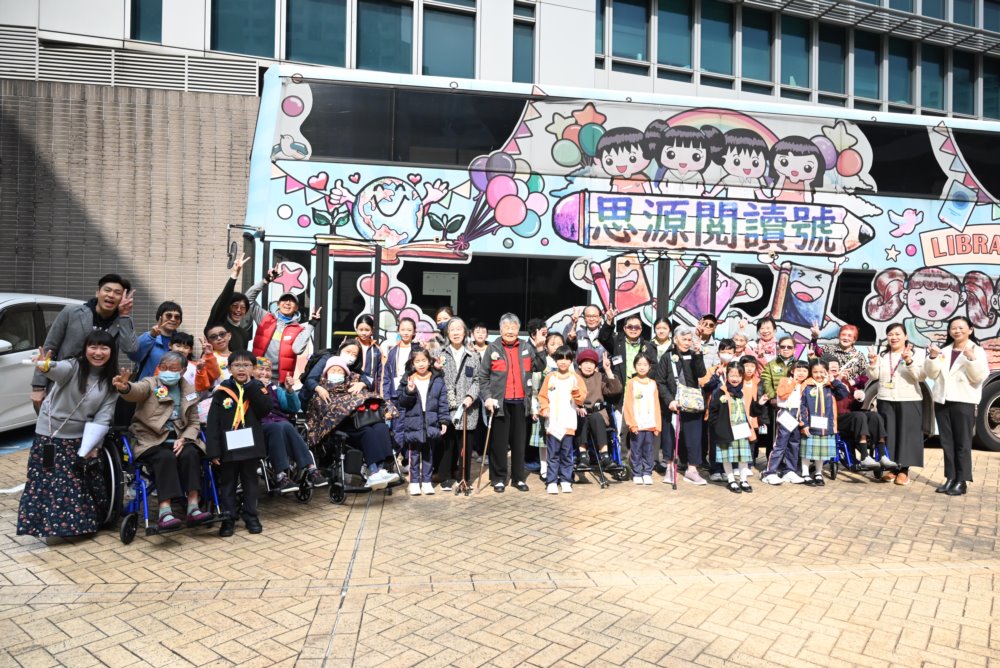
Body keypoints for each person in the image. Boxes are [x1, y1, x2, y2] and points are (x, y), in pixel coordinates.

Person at [17, 331, 120, 541]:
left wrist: (95, 445)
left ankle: (78, 526)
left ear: (112, 352)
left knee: (76, 482)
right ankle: (49, 527)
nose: (98, 352)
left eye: (104, 348)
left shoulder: (111, 382)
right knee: (49, 481)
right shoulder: (73, 367)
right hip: (50, 433)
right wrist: (46, 366)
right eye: (93, 347)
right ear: (85, 348)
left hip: (81, 437)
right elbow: (57, 369)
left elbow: (104, 417)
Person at [112, 351, 212, 530]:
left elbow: (194, 422)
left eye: (173, 369)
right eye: (164, 367)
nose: (167, 372)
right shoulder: (150, 383)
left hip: (180, 439)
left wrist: (184, 438)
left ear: (183, 371)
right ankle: (165, 512)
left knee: (191, 453)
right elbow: (136, 391)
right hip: (151, 439)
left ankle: (193, 507)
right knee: (165, 457)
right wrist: (125, 387)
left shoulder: (189, 389)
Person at [30, 273, 136, 412]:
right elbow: (49, 348)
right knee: (54, 422)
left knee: (95, 425)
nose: (111, 295)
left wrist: (124, 315)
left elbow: (130, 348)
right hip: (64, 381)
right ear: (97, 292)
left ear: (123, 298)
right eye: (107, 290)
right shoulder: (71, 312)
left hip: (98, 389)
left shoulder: (122, 322)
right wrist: (38, 387)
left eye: (117, 293)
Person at [304, 356, 399, 488]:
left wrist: (385, 409)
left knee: (381, 427)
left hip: (363, 419)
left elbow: (369, 397)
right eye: (333, 370)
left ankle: (382, 469)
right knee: (367, 432)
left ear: (345, 373)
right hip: (341, 425)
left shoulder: (355, 385)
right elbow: (321, 413)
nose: (336, 373)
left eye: (340, 371)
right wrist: (347, 410)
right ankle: (373, 472)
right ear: (326, 373)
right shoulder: (321, 391)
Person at [205, 351, 272, 537]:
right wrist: (213, 451)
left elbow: (264, 410)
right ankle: (228, 518)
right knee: (228, 483)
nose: (241, 369)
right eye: (237, 365)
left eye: (246, 365)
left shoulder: (257, 387)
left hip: (251, 444)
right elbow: (213, 423)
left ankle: (251, 516)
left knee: (251, 482)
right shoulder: (222, 391)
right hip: (228, 445)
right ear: (229, 368)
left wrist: (250, 386)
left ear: (253, 368)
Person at [925, 316, 989, 496]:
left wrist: (971, 359)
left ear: (970, 330)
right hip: (943, 401)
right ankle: (951, 477)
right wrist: (932, 357)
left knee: (962, 443)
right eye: (953, 328)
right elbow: (931, 374)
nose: (957, 331)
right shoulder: (944, 350)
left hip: (964, 401)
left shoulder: (977, 350)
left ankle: (962, 480)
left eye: (961, 327)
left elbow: (979, 377)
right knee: (947, 442)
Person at [477, 313, 541, 493]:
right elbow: (483, 377)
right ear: (500, 329)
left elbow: (539, 366)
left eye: (514, 328)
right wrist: (487, 397)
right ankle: (498, 478)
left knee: (519, 444)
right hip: (500, 403)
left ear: (518, 329)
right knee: (499, 443)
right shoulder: (493, 348)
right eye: (507, 328)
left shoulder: (526, 347)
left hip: (521, 402)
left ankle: (518, 478)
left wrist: (540, 348)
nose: (510, 331)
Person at [254, 357, 326, 492]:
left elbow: (293, 408)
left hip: (279, 424)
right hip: (260, 426)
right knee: (278, 426)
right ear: (252, 371)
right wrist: (258, 388)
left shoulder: (275, 388)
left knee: (286, 424)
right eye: (260, 369)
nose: (264, 373)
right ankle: (280, 475)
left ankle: (311, 469)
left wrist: (289, 391)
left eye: (268, 370)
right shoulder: (248, 388)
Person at [867, 323, 926, 485]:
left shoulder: (917, 354)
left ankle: (904, 470)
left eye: (898, 334)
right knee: (889, 434)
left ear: (906, 336)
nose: (894, 337)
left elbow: (920, 377)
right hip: (886, 399)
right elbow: (874, 376)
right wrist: (873, 362)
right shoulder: (883, 355)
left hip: (909, 399)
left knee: (907, 435)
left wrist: (908, 361)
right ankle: (893, 469)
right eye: (890, 334)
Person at [654, 325, 708, 485]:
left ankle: (692, 470)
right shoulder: (667, 356)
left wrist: (698, 354)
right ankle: (670, 468)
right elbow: (660, 381)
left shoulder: (694, 354)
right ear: (676, 339)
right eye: (684, 339)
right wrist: (669, 400)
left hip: (692, 403)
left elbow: (701, 373)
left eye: (689, 339)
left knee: (694, 436)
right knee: (670, 436)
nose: (687, 342)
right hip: (672, 403)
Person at [246, 272, 320, 382]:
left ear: (296, 307)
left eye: (292, 301)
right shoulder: (265, 318)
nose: (288, 303)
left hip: (280, 380)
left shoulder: (299, 329)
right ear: (278, 304)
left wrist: (311, 325)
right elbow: (247, 299)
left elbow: (297, 349)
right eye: (284, 300)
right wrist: (265, 281)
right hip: (258, 375)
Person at [398, 349, 450, 495]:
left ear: (429, 361)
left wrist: (444, 420)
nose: (421, 364)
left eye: (424, 361)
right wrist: (409, 391)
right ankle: (414, 482)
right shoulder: (408, 379)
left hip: (431, 421)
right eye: (417, 361)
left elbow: (443, 402)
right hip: (413, 421)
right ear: (412, 363)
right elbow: (402, 402)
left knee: (429, 453)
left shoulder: (437, 379)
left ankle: (427, 482)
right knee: (413, 454)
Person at [439, 317, 480, 491]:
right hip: (446, 406)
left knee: (465, 445)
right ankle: (445, 477)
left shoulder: (473, 356)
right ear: (447, 333)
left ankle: (464, 477)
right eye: (452, 330)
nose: (455, 333)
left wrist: (471, 396)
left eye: (459, 329)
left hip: (467, 408)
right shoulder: (439, 354)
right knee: (447, 444)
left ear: (465, 332)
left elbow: (478, 380)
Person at [538, 345, 586, 494]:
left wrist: (576, 392)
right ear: (555, 360)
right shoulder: (550, 377)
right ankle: (551, 481)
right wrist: (544, 408)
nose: (563, 362)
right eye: (560, 359)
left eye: (567, 359)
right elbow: (542, 396)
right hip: (553, 423)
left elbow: (581, 399)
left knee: (566, 454)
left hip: (568, 423)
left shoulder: (575, 378)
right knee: (552, 454)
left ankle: (566, 480)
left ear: (571, 361)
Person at [707, 361, 756, 493]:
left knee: (743, 456)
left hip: (741, 429)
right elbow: (713, 412)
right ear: (727, 376)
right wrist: (717, 427)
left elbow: (751, 409)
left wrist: (760, 404)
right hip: (726, 430)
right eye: (732, 375)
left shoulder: (743, 391)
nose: (735, 379)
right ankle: (731, 480)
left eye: (738, 376)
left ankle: (743, 480)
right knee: (727, 456)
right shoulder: (720, 392)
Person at [799, 359, 849, 487]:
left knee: (820, 452)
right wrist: (804, 423)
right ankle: (805, 473)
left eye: (822, 372)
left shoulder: (830, 386)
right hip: (810, 425)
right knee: (807, 450)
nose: (819, 375)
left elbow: (844, 394)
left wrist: (833, 380)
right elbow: (802, 406)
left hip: (826, 425)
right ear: (811, 372)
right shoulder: (806, 385)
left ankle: (818, 473)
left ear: (826, 372)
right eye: (815, 372)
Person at [827, 358, 883, 470]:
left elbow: (854, 406)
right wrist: (836, 381)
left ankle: (882, 455)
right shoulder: (826, 383)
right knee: (859, 416)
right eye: (831, 366)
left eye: (836, 366)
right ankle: (864, 456)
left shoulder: (845, 382)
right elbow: (838, 397)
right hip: (836, 418)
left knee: (874, 416)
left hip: (851, 417)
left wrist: (859, 398)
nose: (835, 367)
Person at [761, 360, 810, 485]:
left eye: (804, 371)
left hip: (799, 415)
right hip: (786, 413)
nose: (801, 373)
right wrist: (793, 382)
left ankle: (790, 471)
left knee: (794, 444)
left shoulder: (806, 385)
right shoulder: (785, 381)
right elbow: (782, 395)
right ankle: (770, 472)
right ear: (792, 371)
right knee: (780, 444)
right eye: (798, 370)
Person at [574, 348, 622, 468]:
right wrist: (577, 406)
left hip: (597, 413)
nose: (588, 366)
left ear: (595, 366)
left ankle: (605, 456)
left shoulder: (599, 376)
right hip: (579, 413)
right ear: (579, 365)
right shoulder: (573, 376)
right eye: (586, 363)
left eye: (592, 363)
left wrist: (608, 370)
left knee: (596, 417)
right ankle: (583, 456)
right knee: (582, 418)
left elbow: (615, 390)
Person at [623, 353, 661, 485]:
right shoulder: (631, 383)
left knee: (649, 449)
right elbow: (628, 404)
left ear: (650, 367)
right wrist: (631, 423)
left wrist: (657, 425)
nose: (642, 367)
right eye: (639, 364)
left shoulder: (653, 384)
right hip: (637, 424)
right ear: (634, 366)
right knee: (636, 449)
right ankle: (637, 473)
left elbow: (656, 404)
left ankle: (647, 472)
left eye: (645, 364)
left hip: (650, 424)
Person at [383, 317, 420, 446]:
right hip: (395, 395)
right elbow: (387, 377)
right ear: (398, 330)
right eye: (403, 329)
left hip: (411, 393)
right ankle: (397, 453)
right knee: (396, 427)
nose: (406, 333)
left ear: (414, 332)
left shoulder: (418, 350)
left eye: (409, 330)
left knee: (410, 426)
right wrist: (386, 397)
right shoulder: (393, 351)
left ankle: (408, 455)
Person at [207, 254, 253, 352]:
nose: (238, 310)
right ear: (228, 307)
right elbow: (223, 300)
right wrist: (235, 274)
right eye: (235, 306)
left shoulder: (244, 334)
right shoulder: (219, 323)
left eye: (243, 307)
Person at [129, 301, 183, 379]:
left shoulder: (182, 341)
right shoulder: (149, 337)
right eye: (169, 315)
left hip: (174, 385)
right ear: (160, 317)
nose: (173, 319)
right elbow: (134, 356)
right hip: (148, 385)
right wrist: (151, 336)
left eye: (177, 317)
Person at [354, 314, 383, 391]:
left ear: (372, 330)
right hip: (352, 387)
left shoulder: (377, 350)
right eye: (361, 330)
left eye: (367, 330)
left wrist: (380, 392)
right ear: (356, 329)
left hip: (370, 389)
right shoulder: (350, 346)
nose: (364, 333)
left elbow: (380, 374)